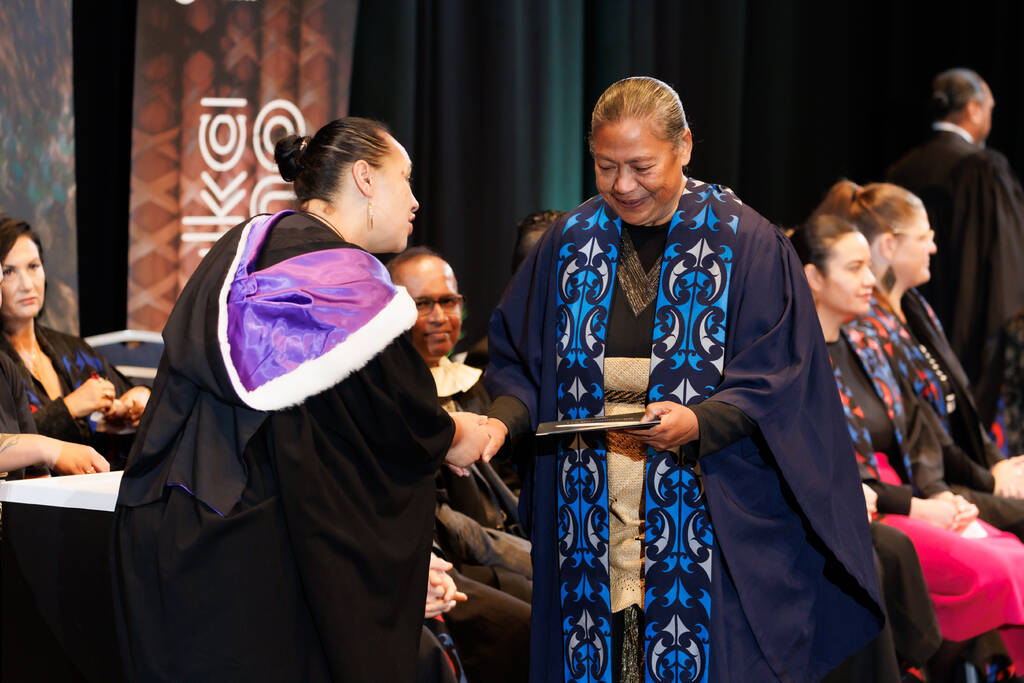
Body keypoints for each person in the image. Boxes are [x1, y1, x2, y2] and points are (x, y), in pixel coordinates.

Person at [483, 76, 882, 683]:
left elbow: (780, 371)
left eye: (641, 166)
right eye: (605, 166)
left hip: (702, 513)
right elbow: (519, 359)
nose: (623, 186)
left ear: (685, 147)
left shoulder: (746, 243)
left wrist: (703, 419)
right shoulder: (566, 243)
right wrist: (499, 422)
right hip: (588, 517)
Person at [112, 117, 493, 681]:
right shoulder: (347, 290)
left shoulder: (243, 252)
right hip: (251, 566)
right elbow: (404, 422)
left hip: (165, 534)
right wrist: (468, 435)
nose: (415, 200)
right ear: (364, 178)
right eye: (404, 179)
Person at [793, 212, 1024, 679]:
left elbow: (919, 428)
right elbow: (834, 468)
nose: (868, 280)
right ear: (813, 279)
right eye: (854, 268)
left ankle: (986, 665)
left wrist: (937, 492)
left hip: (911, 493)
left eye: (867, 266)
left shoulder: (867, 345)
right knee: (993, 569)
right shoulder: (796, 361)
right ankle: (947, 663)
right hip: (876, 503)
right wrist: (919, 506)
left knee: (1012, 555)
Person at [816, 180, 1024, 540]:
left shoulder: (915, 307)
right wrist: (990, 478)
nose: (933, 246)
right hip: (926, 484)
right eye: (924, 236)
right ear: (889, 244)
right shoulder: (866, 327)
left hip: (954, 475)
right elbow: (918, 430)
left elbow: (961, 407)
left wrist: (998, 462)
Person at [389, 246, 532, 683]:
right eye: (421, 304)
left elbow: (510, 478)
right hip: (451, 559)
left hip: (505, 543)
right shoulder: (395, 398)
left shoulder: (478, 383)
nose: (439, 316)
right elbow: (437, 516)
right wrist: (525, 555)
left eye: (448, 301)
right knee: (536, 618)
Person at [886, 68, 1024, 452]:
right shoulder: (983, 168)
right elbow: (1006, 266)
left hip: (912, 319)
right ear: (974, 110)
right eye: (990, 108)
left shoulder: (903, 169)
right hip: (972, 331)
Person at [0, 216, 150, 464]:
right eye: (9, 271)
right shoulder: (4, 365)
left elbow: (133, 393)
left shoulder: (73, 349)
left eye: (33, 266)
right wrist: (70, 408)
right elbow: (10, 444)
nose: (27, 285)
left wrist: (136, 403)